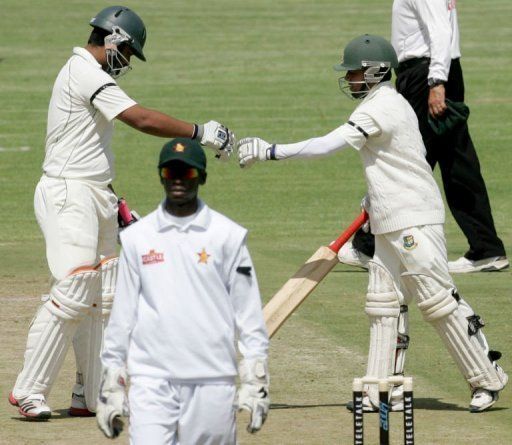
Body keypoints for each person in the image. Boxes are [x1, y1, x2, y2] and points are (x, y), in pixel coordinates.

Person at [237, 34, 507, 412]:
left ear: (377, 71)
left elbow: (328, 145)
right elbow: (394, 160)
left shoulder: (382, 105)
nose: (349, 79)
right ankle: (383, 389)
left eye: (354, 73)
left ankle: (488, 378)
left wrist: (271, 151)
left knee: (437, 300)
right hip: (388, 219)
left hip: (414, 217)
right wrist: (374, 199)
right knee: (383, 305)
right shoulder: (384, 103)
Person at [9, 5, 235, 420]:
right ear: (112, 40)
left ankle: (91, 394)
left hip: (94, 193)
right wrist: (201, 132)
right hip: (67, 192)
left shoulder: (91, 75)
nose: (127, 63)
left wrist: (113, 200)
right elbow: (141, 119)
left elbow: (90, 145)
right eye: (127, 53)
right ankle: (29, 391)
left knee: (106, 295)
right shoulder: (84, 71)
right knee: (76, 289)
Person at [95, 138, 269, 443]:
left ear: (201, 177)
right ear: (161, 175)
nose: (178, 180)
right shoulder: (137, 238)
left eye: (187, 173)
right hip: (151, 379)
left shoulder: (227, 236)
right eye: (171, 172)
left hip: (212, 379)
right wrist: (112, 381)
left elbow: (248, 312)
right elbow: (122, 315)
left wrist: (255, 378)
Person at [340, 0, 508, 274]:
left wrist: (436, 82)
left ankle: (366, 245)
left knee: (404, 158)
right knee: (458, 164)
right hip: (433, 73)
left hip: (426, 76)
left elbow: (441, 31)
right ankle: (486, 248)